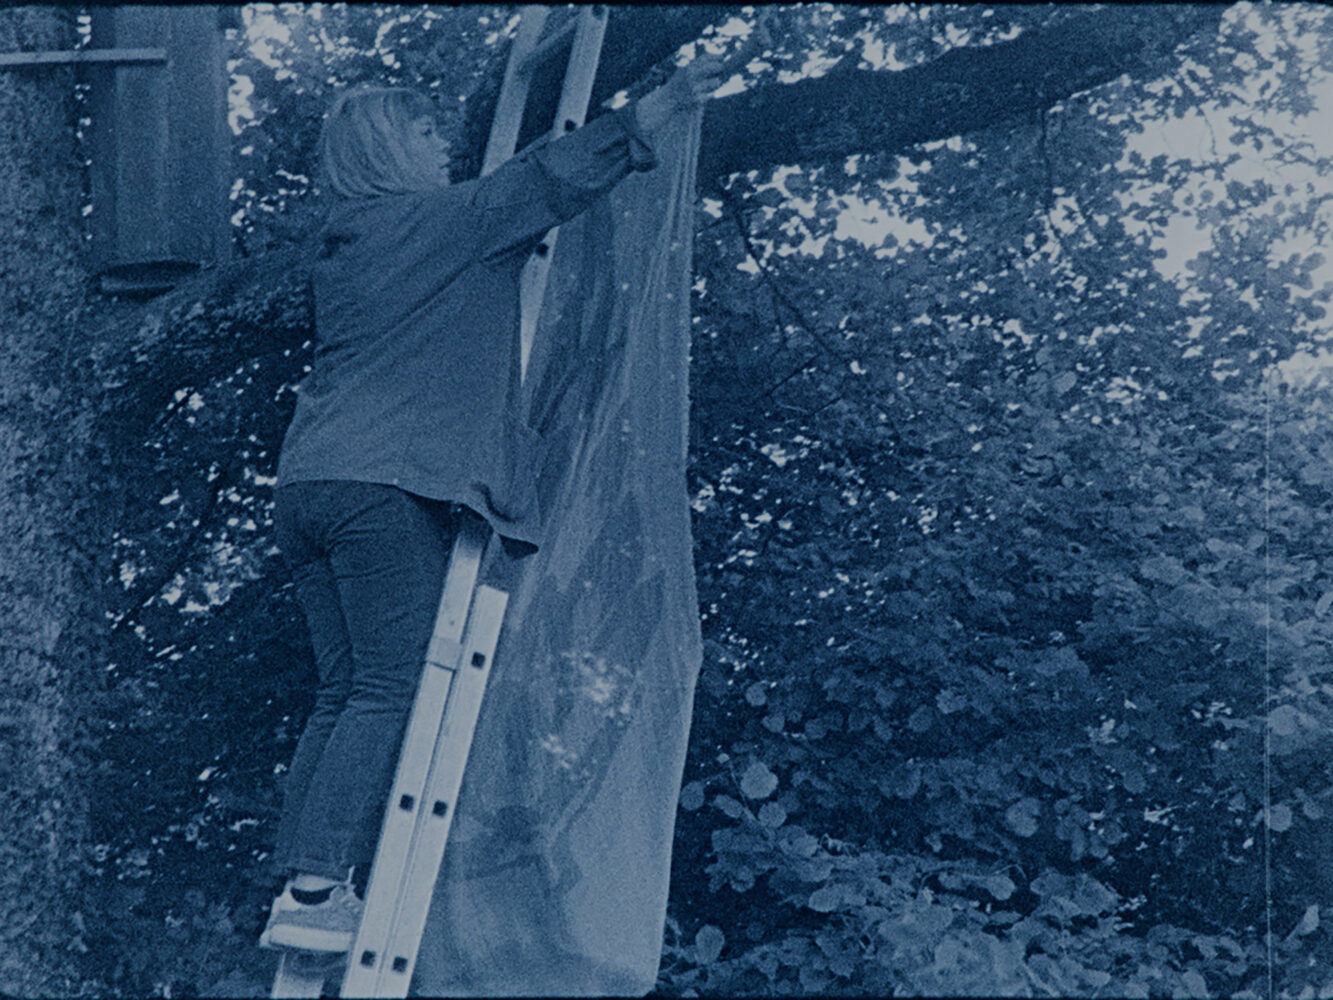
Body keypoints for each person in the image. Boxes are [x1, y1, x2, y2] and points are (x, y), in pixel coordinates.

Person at [258, 53, 729, 953]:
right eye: (426, 131)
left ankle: (302, 884)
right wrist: (661, 106)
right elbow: (548, 177)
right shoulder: (444, 223)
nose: (445, 145)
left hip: (309, 487)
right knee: (390, 683)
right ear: (389, 149)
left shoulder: (343, 248)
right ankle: (316, 889)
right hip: (384, 487)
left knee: (345, 688)